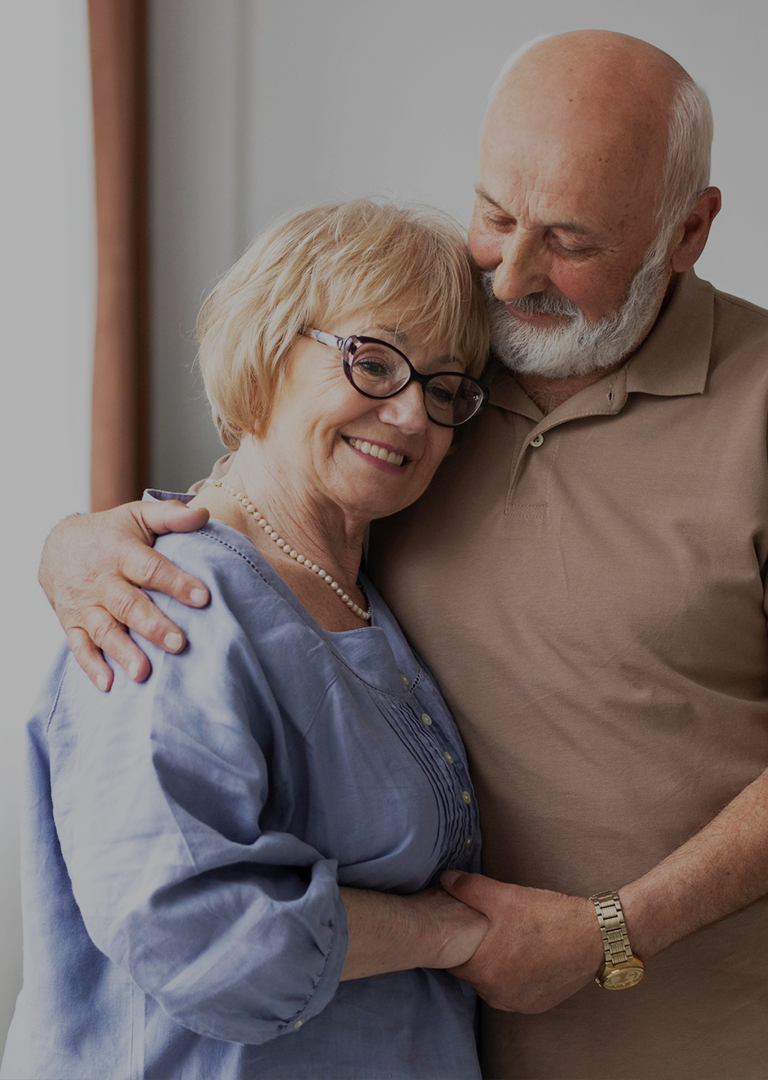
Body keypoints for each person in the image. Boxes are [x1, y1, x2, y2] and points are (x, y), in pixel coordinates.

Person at [36, 30, 768, 1080]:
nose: (515, 273)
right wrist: (78, 541)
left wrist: (608, 931)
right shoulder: (441, 358)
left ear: (687, 230)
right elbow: (278, 479)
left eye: (572, 241)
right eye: (495, 215)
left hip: (734, 1036)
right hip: (471, 1041)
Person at [2, 200, 499, 1080]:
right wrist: (452, 934)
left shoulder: (365, 589)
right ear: (268, 348)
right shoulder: (170, 601)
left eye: (443, 388)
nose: (412, 416)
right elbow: (197, 934)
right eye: (373, 362)